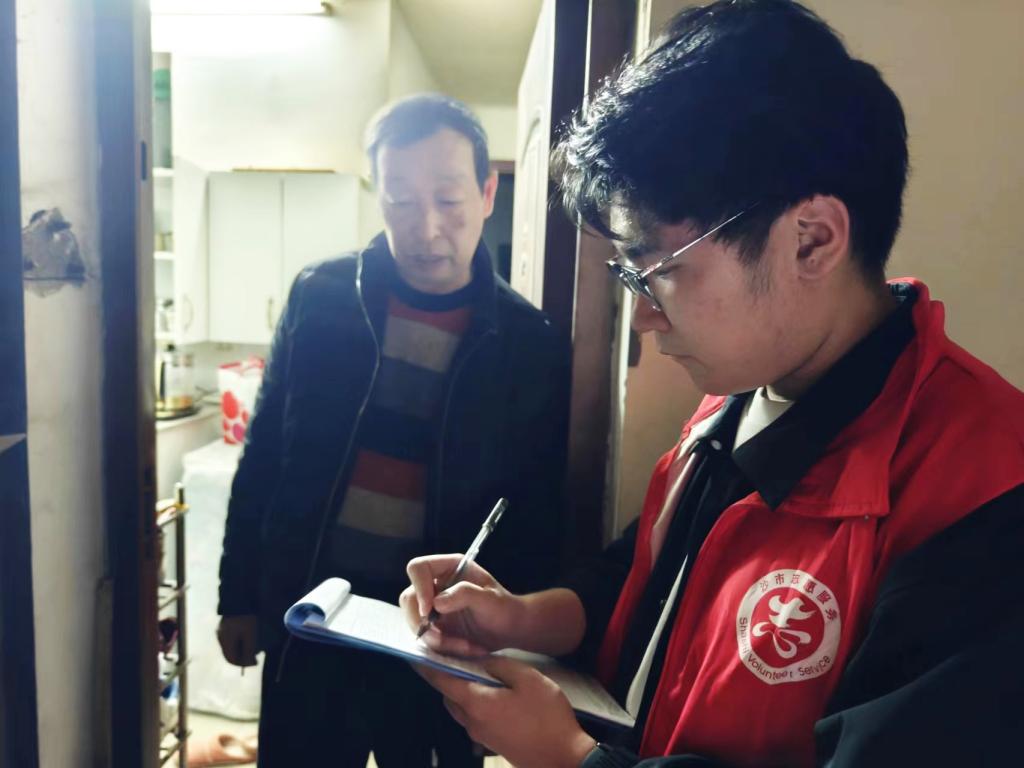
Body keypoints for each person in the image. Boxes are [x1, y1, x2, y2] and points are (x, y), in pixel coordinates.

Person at [400, 2, 1024, 766]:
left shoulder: (985, 490)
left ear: (811, 241)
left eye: (657, 272)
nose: (643, 319)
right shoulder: (738, 395)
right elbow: (644, 582)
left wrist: (568, 756)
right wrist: (521, 618)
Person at [217, 94, 571, 767]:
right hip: (315, 615)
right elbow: (264, 454)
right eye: (401, 198)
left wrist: (513, 659)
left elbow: (533, 513)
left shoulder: (530, 344)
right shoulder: (319, 298)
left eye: (449, 198)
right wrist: (237, 596)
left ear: (487, 192)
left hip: (439, 638)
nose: (426, 225)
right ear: (377, 194)